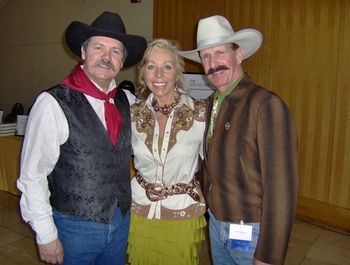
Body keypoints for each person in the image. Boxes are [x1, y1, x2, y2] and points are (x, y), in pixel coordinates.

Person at [16, 11, 146, 265]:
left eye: (116, 51)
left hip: (120, 221)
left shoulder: (128, 101)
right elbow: (33, 176)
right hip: (73, 228)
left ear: (123, 62)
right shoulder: (52, 103)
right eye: (99, 48)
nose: (107, 58)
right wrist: (46, 235)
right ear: (84, 53)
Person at [179, 15, 299, 265]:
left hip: (252, 232)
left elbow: (282, 190)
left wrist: (268, 255)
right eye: (206, 57)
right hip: (217, 224)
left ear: (239, 54)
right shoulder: (211, 104)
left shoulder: (266, 105)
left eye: (220, 53)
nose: (213, 64)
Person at [127, 38, 207, 265]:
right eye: (151, 66)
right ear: (143, 73)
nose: (159, 75)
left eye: (167, 67)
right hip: (141, 210)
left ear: (178, 71)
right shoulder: (132, 114)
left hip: (181, 211)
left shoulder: (200, 113)